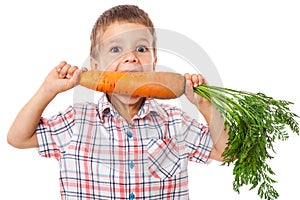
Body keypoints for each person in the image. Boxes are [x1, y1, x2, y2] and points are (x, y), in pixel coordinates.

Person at [7, 4, 229, 200]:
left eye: (141, 49)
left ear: (154, 62)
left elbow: (226, 152)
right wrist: (48, 90)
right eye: (115, 49)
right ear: (96, 66)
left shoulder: (175, 122)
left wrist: (206, 106)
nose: (131, 57)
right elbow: (18, 137)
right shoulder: (76, 121)